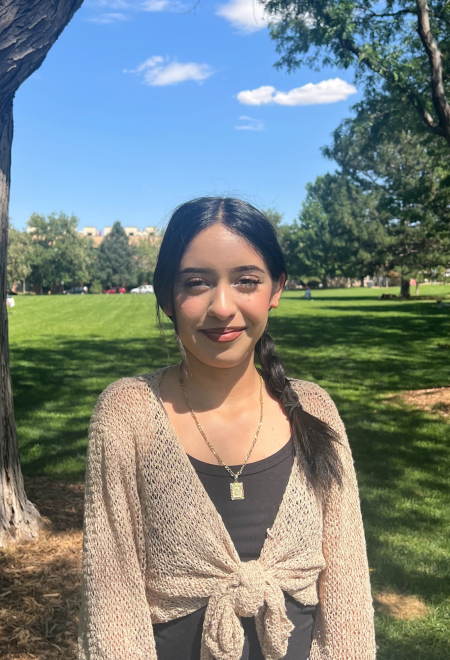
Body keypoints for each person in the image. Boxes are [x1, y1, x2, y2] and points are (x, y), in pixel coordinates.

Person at [78, 197, 376, 660]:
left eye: (246, 281)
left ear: (276, 289)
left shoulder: (314, 409)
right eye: (196, 283)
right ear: (166, 295)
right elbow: (111, 605)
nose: (222, 306)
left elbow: (348, 593)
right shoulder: (127, 413)